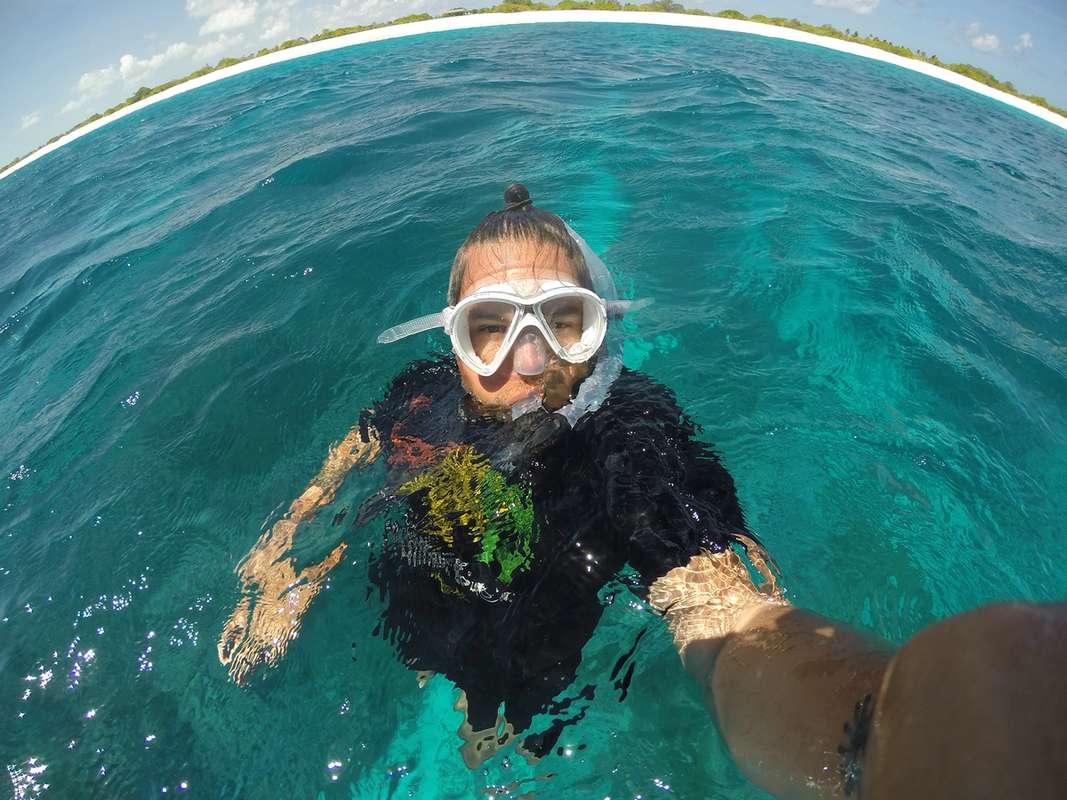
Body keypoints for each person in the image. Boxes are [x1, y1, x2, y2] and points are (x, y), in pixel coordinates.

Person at [218, 184, 1066, 799]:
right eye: (490, 328)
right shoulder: (421, 386)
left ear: (596, 330)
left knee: (495, 751)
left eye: (560, 322)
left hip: (532, 641)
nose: (528, 363)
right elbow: (354, 451)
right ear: (452, 338)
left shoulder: (630, 432)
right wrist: (284, 554)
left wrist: (879, 738)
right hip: (419, 582)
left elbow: (723, 615)